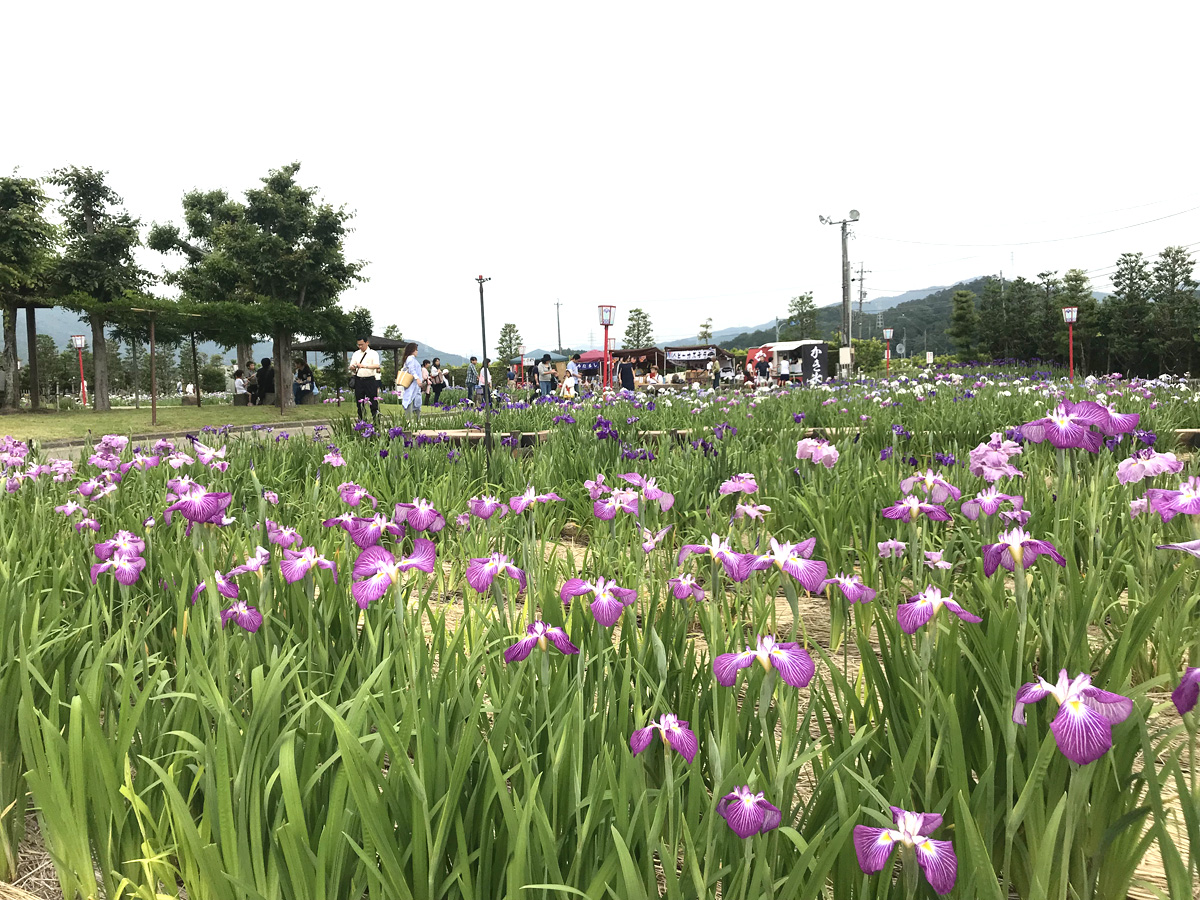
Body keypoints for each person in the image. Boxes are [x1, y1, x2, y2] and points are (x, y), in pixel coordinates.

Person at [349, 336, 381, 421]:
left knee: (373, 402)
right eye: (358, 345)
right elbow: (351, 365)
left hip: (370, 380)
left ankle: (376, 422)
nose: (360, 346)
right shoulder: (356, 354)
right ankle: (361, 422)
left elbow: (376, 365)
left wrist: (365, 366)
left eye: (361, 344)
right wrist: (353, 367)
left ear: (367, 343)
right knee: (360, 403)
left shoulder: (373, 353)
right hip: (359, 380)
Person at [398, 341, 423, 418]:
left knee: (415, 402)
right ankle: (410, 421)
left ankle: (415, 420)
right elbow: (412, 370)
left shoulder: (411, 359)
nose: (417, 351)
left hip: (415, 385)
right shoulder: (410, 358)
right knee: (411, 400)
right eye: (416, 350)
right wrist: (417, 379)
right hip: (413, 384)